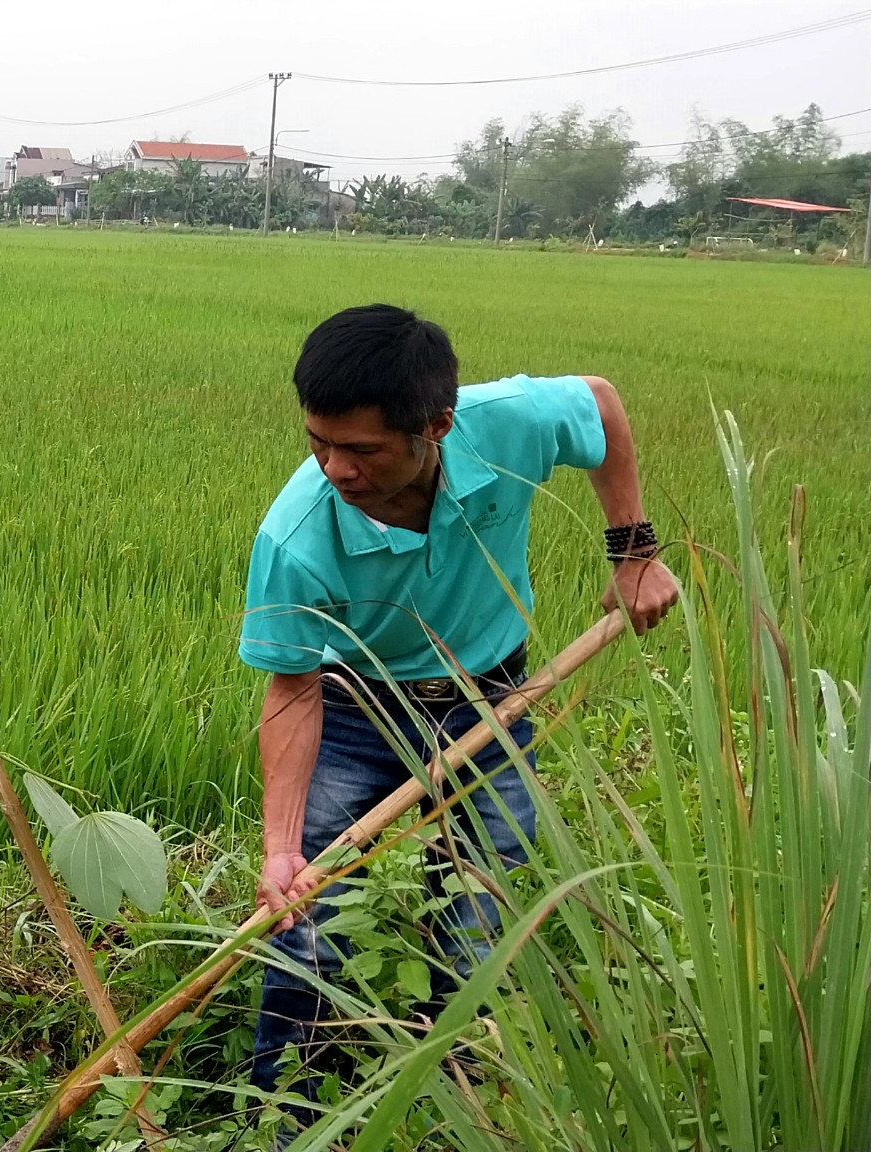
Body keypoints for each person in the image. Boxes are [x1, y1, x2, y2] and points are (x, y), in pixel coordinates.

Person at [238, 304, 680, 1099]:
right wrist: (279, 849)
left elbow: (603, 403)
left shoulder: (508, 423)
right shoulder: (295, 536)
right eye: (319, 441)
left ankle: (459, 1087)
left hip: (490, 695)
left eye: (361, 449)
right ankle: (290, 1102)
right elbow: (293, 687)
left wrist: (634, 554)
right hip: (354, 708)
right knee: (310, 919)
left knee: (482, 902)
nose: (335, 468)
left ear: (435, 425)